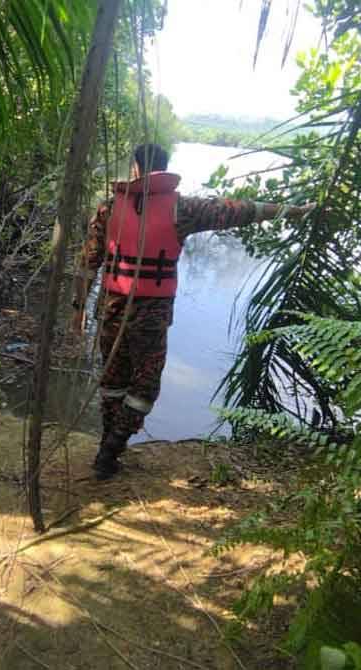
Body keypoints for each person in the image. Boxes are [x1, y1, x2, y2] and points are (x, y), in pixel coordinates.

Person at [71, 143, 313, 480]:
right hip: (151, 314)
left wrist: (78, 308)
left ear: (136, 170)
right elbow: (240, 210)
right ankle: (111, 448)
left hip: (110, 308)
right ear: (165, 170)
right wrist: (293, 210)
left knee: (113, 380)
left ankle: (107, 448)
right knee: (144, 388)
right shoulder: (181, 208)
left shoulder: (109, 208)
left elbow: (87, 264)